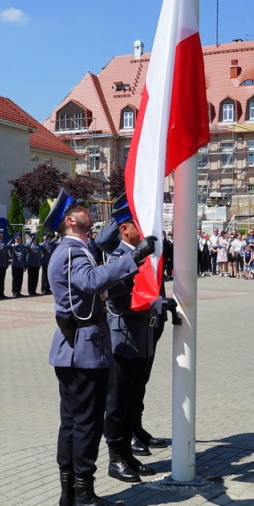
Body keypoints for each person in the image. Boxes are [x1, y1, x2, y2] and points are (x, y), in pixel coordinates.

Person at [45, 188, 139, 506]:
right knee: (85, 425)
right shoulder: (72, 252)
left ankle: (69, 495)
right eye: (81, 208)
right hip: (84, 349)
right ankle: (84, 497)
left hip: (74, 347)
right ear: (70, 220)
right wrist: (135, 257)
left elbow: (98, 275)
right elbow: (91, 280)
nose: (87, 210)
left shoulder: (77, 248)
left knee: (72, 424)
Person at [96, 195, 169, 485]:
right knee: (116, 403)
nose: (146, 229)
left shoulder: (143, 256)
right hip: (123, 338)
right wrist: (152, 302)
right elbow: (119, 301)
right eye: (139, 223)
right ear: (125, 229)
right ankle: (115, 459)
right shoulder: (118, 258)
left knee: (130, 400)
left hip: (141, 336)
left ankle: (128, 454)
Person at [9, 233, 26, 297]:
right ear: (15, 239)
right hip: (15, 265)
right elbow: (8, 246)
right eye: (17, 238)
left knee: (20, 279)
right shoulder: (13, 246)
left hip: (21, 265)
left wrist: (25, 265)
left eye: (19, 238)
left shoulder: (22, 246)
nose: (18, 240)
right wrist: (11, 239)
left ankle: (19, 291)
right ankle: (15, 292)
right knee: (15, 279)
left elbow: (24, 256)